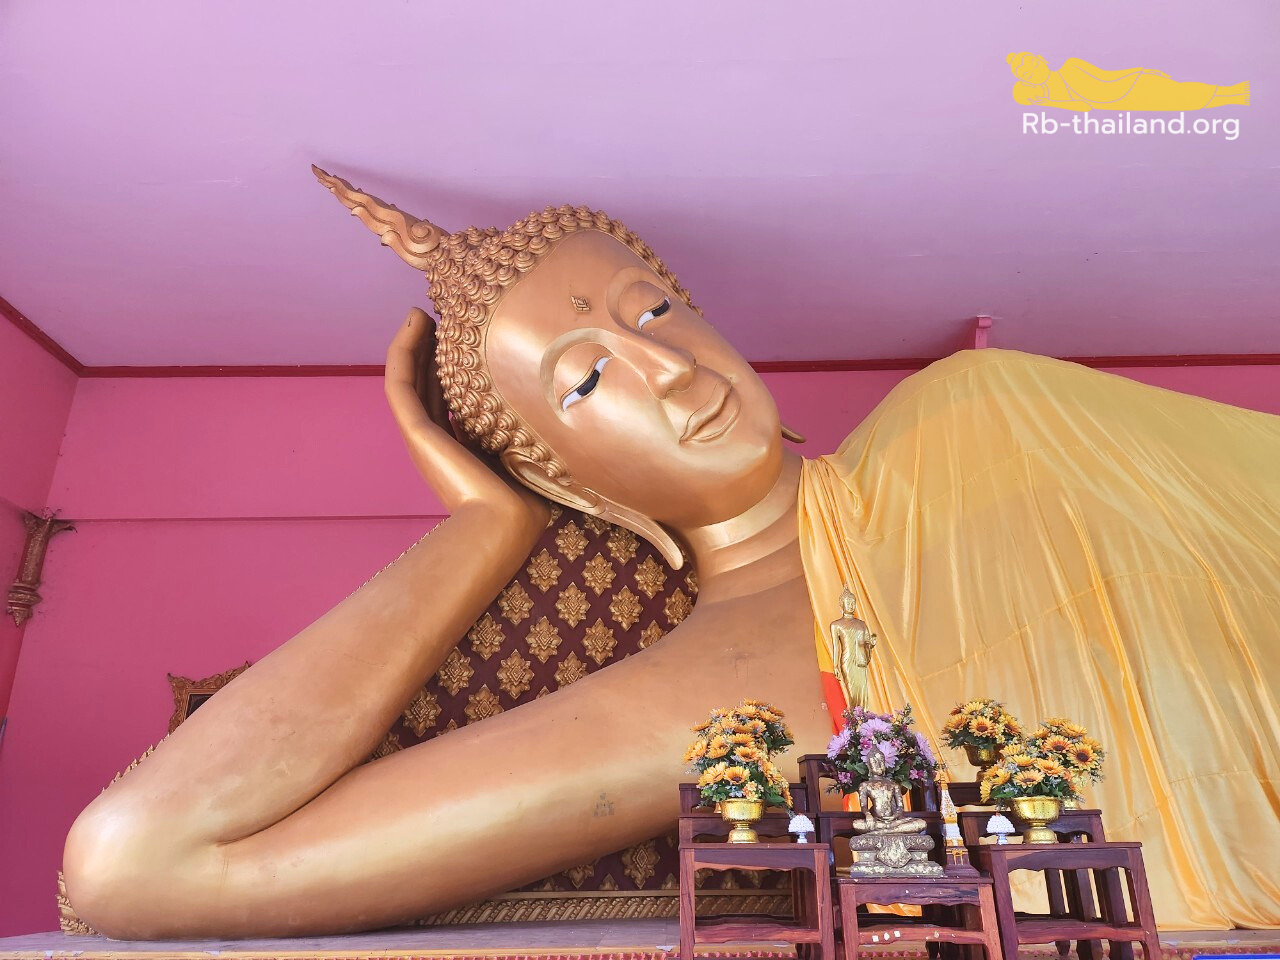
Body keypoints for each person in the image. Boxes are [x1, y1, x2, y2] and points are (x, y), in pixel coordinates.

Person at [61, 170, 1279, 938]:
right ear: (559, 473)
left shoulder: (978, 409)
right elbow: (141, 867)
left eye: (654, 311)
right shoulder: (719, 690)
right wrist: (487, 529)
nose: (670, 369)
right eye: (586, 381)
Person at [1007, 52, 1250, 111]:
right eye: (1026, 74)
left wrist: (1140, 71)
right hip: (1122, 102)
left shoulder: (1071, 65)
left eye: (1033, 64)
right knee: (1181, 103)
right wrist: (1046, 102)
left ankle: (1235, 91)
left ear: (1042, 59)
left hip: (1130, 85)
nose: (1033, 72)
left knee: (1179, 91)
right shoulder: (1053, 95)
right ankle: (1236, 98)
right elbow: (1083, 107)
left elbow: (1107, 75)